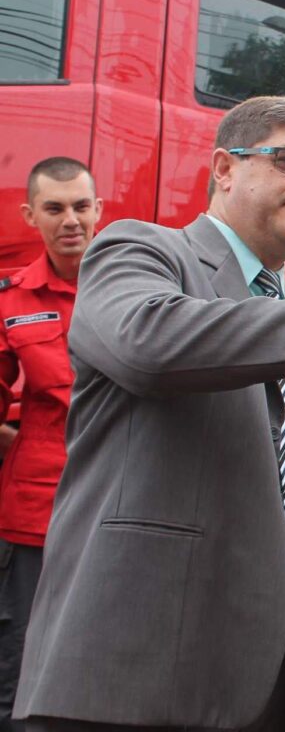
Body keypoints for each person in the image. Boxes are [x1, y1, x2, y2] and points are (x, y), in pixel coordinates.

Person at [14, 96, 285, 732]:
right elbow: (148, 344)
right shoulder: (140, 251)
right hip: (131, 675)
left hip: (268, 682)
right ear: (224, 169)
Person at [0, 159, 102, 732]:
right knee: (19, 668)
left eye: (81, 206)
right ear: (30, 215)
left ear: (99, 210)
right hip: (36, 511)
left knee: (106, 658)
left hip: (118, 505)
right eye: (55, 208)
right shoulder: (11, 298)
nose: (71, 220)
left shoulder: (136, 287)